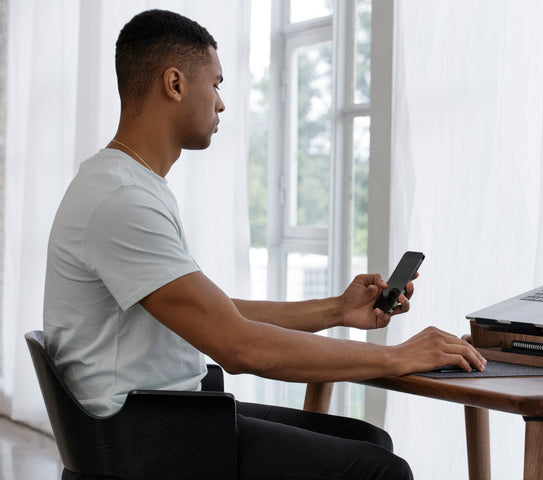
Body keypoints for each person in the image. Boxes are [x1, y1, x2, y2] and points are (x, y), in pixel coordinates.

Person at [43, 9, 486, 479]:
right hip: (147, 442)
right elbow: (238, 347)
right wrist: (399, 356)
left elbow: (220, 315)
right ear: (174, 84)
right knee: (379, 470)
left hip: (168, 416)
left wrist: (338, 309)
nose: (221, 104)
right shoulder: (122, 200)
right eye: (215, 84)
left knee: (367, 440)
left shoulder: (129, 184)